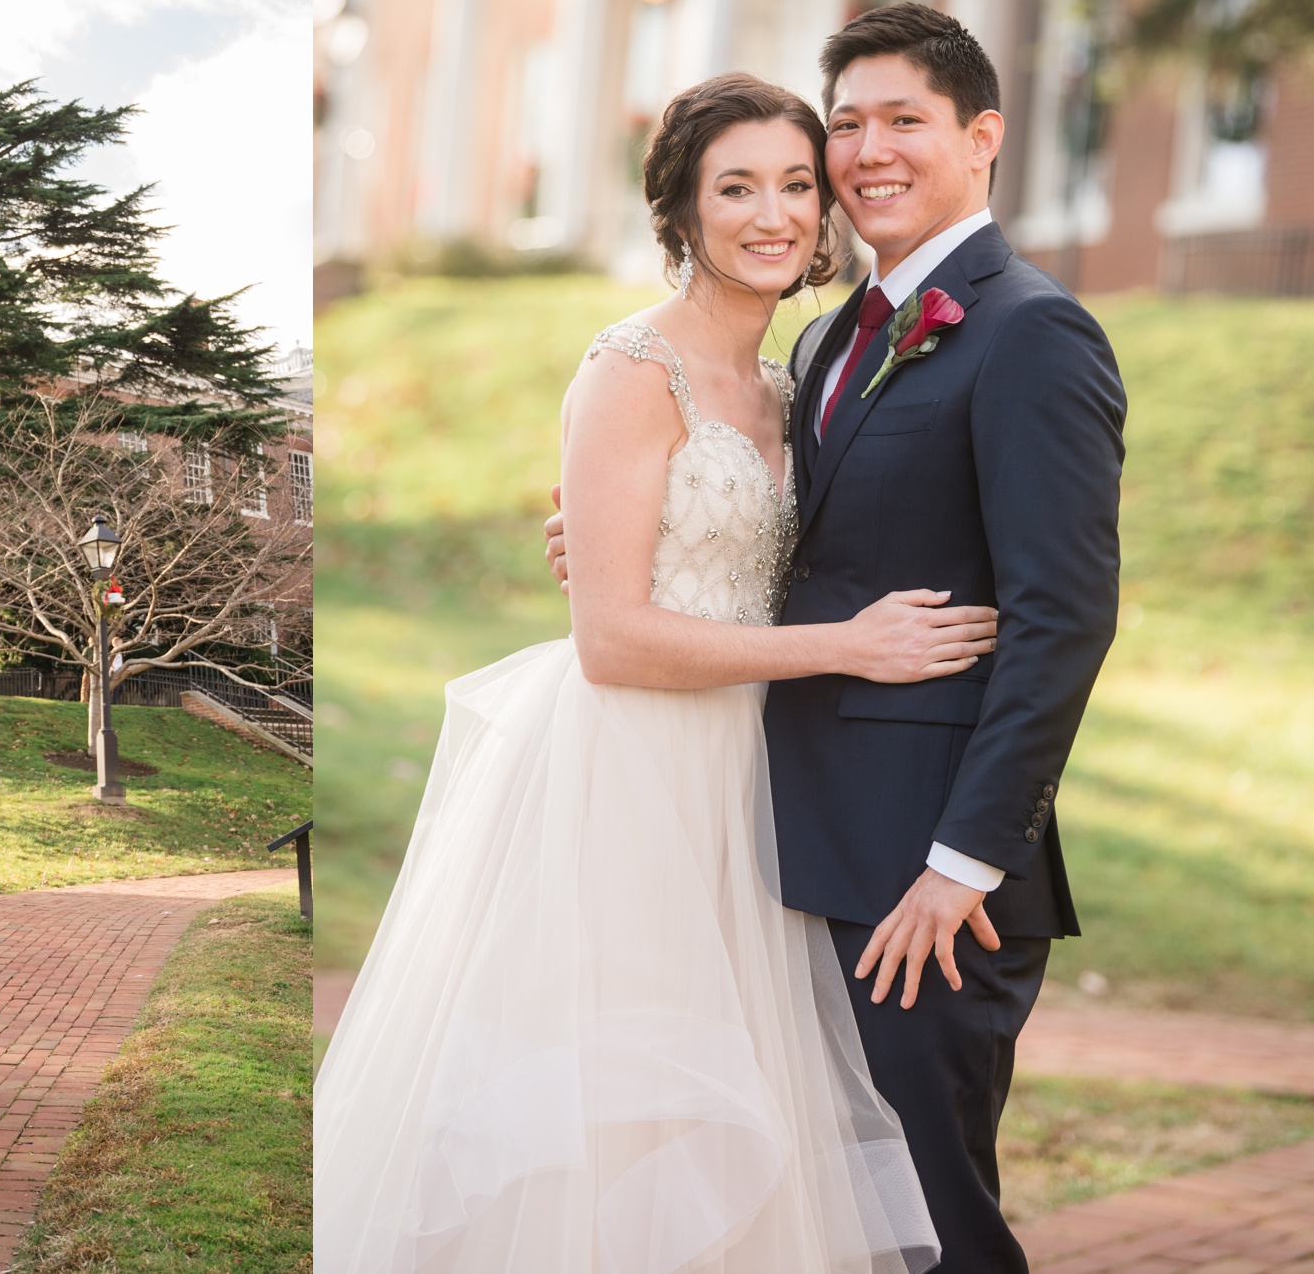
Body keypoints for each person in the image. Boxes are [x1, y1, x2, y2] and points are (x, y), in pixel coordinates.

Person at [317, 71, 1007, 1272]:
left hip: (764, 775)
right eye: (733, 187)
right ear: (679, 212)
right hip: (634, 774)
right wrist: (847, 646)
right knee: (634, 1116)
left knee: (755, 1127)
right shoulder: (633, 367)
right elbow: (613, 637)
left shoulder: (802, 379)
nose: (772, 214)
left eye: (795, 184)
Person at [545, 4, 1127, 1273]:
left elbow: (1061, 616)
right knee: (813, 1216)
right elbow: (800, 551)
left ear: (981, 138)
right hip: (783, 850)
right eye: (846, 124)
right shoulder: (819, 340)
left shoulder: (1030, 331)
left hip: (925, 884)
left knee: (934, 1227)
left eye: (899, 121)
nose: (865, 153)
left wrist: (963, 862)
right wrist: (621, 548)